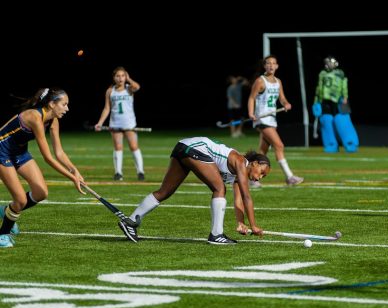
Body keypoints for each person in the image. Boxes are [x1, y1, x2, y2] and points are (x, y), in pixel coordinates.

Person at [117, 136, 269, 244]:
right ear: (255, 163)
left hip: (182, 147)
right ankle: (216, 235)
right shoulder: (241, 162)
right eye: (262, 172)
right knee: (219, 188)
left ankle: (130, 221)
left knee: (165, 192)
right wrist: (254, 225)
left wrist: (241, 222)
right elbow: (247, 197)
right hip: (194, 148)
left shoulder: (238, 174)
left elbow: (239, 201)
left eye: (263, 176)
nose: (260, 177)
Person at [0, 88, 85, 248]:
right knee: (20, 200)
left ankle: (7, 211)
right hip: (2, 151)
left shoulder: (54, 120)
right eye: (64, 104)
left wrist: (75, 171)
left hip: (19, 151)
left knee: (41, 193)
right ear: (52, 104)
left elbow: (59, 152)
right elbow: (48, 157)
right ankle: (3, 234)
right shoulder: (35, 117)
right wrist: (72, 178)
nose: (67, 108)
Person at [247, 55, 303, 187]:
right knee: (279, 145)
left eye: (273, 63)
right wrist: (251, 113)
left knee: (262, 152)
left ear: (277, 66)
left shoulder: (278, 82)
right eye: (268, 63)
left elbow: (282, 98)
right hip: (262, 118)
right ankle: (289, 177)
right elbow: (251, 98)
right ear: (264, 66)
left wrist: (286, 103)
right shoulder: (260, 81)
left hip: (272, 119)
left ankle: (252, 179)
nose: (271, 66)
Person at [95, 66, 145, 181]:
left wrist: (129, 79)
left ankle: (140, 171)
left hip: (129, 124)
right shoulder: (110, 91)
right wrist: (100, 122)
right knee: (118, 147)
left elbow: (137, 87)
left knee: (133, 146)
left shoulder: (129, 89)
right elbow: (107, 108)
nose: (120, 78)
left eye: (123, 75)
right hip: (115, 123)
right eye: (118, 76)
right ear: (114, 78)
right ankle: (118, 173)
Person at [312, 56, 359, 153]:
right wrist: (316, 101)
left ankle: (350, 143)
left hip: (339, 99)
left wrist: (345, 96)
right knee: (326, 121)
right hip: (325, 100)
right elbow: (319, 88)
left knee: (343, 121)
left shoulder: (340, 73)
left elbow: (344, 85)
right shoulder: (322, 74)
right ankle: (331, 145)